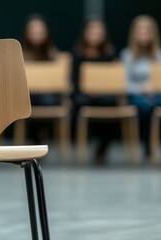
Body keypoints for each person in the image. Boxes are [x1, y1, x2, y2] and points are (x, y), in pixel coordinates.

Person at [120, 15, 161, 159]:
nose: (144, 33)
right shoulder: (127, 55)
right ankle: (148, 147)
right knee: (145, 108)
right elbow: (124, 83)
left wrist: (156, 87)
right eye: (141, 30)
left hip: (157, 94)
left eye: (148, 30)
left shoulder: (159, 54)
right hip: (136, 95)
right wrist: (141, 88)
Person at [71, 19, 115, 164]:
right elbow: (75, 80)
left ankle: (103, 145)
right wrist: (86, 90)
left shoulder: (109, 54)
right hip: (83, 94)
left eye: (99, 32)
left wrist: (101, 90)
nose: (96, 35)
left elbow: (112, 79)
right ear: (85, 33)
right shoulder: (77, 55)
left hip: (104, 94)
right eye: (92, 31)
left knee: (110, 103)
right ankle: (80, 145)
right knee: (79, 103)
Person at [21, 14, 60, 143]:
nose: (37, 35)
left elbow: (59, 80)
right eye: (33, 31)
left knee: (47, 100)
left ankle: (40, 137)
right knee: (31, 101)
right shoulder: (20, 54)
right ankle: (34, 138)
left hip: (47, 96)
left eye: (40, 32)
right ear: (27, 33)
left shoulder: (53, 54)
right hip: (26, 96)